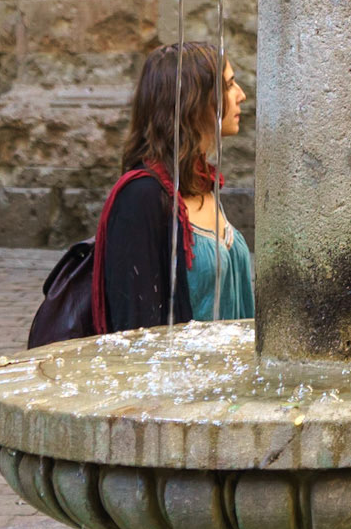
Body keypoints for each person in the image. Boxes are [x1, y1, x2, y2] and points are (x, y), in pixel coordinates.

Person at [94, 41, 254, 331]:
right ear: (194, 101)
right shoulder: (142, 197)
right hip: (189, 373)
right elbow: (136, 332)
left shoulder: (201, 184)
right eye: (229, 85)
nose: (241, 95)